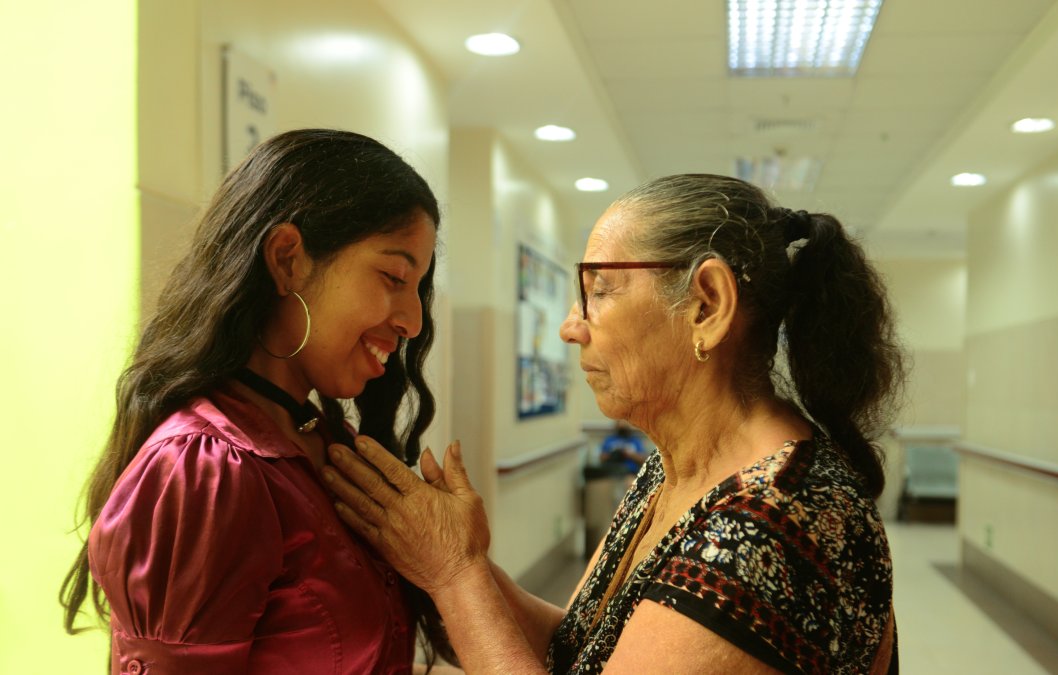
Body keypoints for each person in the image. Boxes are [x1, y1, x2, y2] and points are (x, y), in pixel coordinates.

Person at [323, 173, 905, 673]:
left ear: (706, 304)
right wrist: (459, 559)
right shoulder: (672, 470)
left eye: (599, 290)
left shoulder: (770, 526)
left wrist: (456, 574)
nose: (571, 327)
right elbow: (582, 650)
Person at [60, 129, 456, 673]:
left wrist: (455, 563)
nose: (412, 320)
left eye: (417, 288)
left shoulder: (323, 442)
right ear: (288, 259)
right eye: (393, 276)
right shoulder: (202, 470)